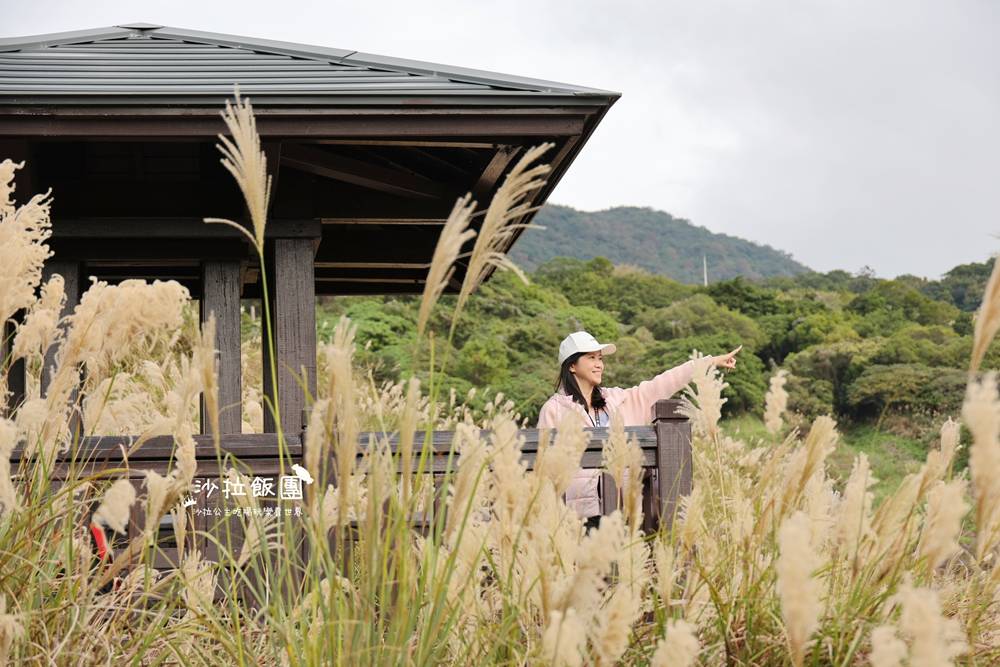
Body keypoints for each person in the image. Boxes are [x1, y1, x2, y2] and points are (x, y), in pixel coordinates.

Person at [536, 330, 741, 525]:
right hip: (576, 516)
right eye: (591, 358)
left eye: (600, 358)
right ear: (572, 365)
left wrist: (709, 362)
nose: (599, 365)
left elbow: (663, 382)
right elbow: (543, 469)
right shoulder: (554, 410)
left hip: (622, 512)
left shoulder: (620, 400)